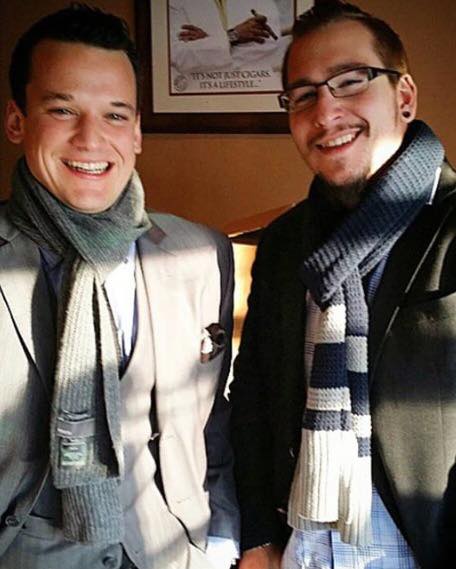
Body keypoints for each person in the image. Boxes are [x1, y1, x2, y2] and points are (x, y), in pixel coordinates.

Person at [0, 4, 239, 569]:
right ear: (17, 121)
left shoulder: (202, 253)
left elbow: (213, 421)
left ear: (136, 132)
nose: (90, 138)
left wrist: (221, 538)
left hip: (173, 550)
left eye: (114, 115)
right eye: (63, 109)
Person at [230, 2, 456, 568]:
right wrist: (258, 538)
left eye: (351, 81)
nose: (326, 112)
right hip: (302, 547)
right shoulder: (285, 243)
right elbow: (253, 396)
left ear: (404, 96)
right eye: (304, 94)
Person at [169, 0, 289, 92]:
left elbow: (268, 44)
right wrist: (232, 36)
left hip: (256, 89)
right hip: (202, 94)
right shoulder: (175, 3)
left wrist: (208, 43)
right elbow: (178, 55)